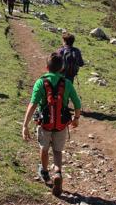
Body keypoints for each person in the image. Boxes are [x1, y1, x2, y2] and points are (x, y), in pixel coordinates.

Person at [22, 53, 81, 197]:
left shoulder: (40, 82)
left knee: (44, 148)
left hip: (45, 124)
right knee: (57, 151)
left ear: (46, 67)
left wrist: (25, 125)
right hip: (61, 124)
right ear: (62, 68)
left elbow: (33, 104)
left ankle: (45, 172)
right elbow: (77, 104)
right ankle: (58, 173)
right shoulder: (67, 83)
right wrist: (76, 118)